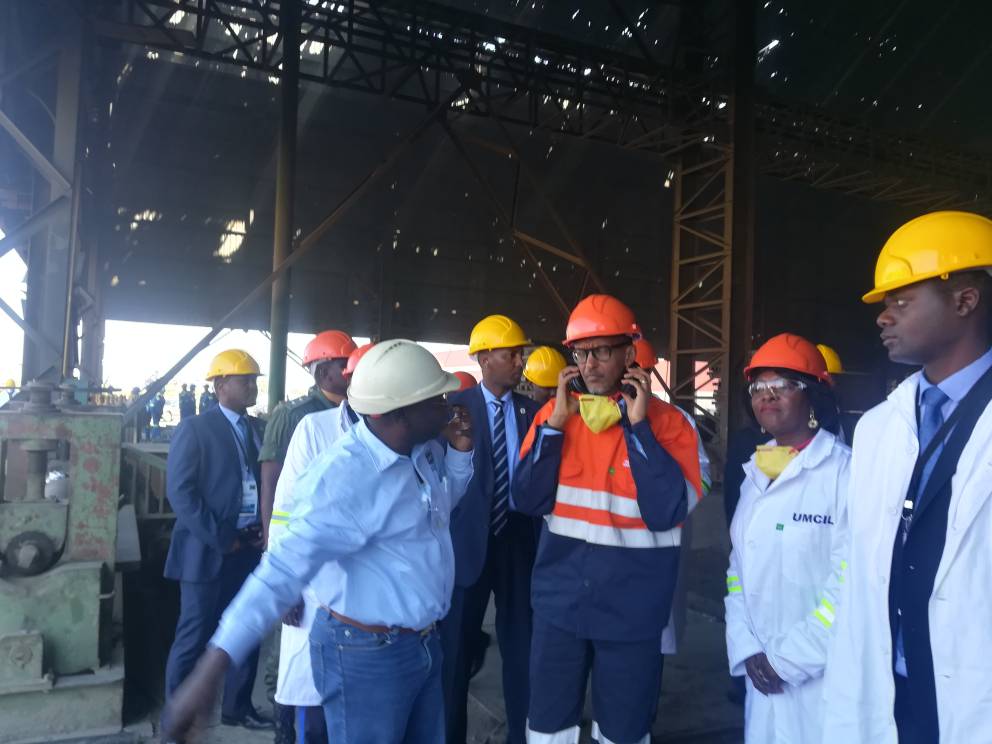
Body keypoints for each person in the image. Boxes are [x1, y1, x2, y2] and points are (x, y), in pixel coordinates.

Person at [161, 339, 474, 744]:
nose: (448, 406)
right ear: (401, 413)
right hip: (370, 656)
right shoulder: (344, 481)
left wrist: (460, 454)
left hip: (422, 645)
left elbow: (439, 511)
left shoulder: (421, 451)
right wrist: (211, 669)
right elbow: (279, 574)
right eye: (437, 399)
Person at [821, 211, 992, 744]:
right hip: (890, 687)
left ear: (965, 300)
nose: (882, 317)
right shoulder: (876, 429)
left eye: (901, 301)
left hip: (972, 693)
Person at [514, 294, 702, 744]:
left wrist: (639, 430)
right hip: (560, 605)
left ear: (629, 354)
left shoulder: (671, 425)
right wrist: (555, 427)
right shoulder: (553, 417)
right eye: (582, 353)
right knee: (546, 727)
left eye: (602, 350)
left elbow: (666, 511)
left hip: (632, 611)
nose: (591, 364)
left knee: (622, 732)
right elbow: (526, 499)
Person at [723, 334, 850, 743]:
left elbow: (850, 583)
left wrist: (788, 660)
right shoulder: (756, 474)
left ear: (812, 396)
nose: (767, 397)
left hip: (822, 676)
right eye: (758, 388)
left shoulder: (845, 474)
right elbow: (737, 570)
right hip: (761, 674)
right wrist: (748, 648)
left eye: (781, 386)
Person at [440, 314, 541, 744]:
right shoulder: (454, 408)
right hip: (467, 546)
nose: (520, 362)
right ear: (483, 359)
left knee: (522, 651)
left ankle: (524, 735)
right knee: (456, 656)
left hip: (518, 540)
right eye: (510, 354)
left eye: (521, 353)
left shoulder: (533, 410)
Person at [162, 349, 273, 733]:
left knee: (248, 629)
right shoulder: (196, 429)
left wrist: (262, 525)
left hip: (248, 547)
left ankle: (237, 708)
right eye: (246, 380)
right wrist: (223, 538)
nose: (252, 386)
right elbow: (182, 493)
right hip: (206, 551)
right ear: (221, 384)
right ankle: (178, 717)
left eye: (255, 380)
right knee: (194, 636)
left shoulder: (257, 429)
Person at [267, 342, 373, 744]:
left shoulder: (405, 434)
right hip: (315, 591)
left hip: (370, 600)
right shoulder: (315, 428)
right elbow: (285, 509)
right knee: (313, 711)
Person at [633, 337, 712, 661]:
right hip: (609, 549)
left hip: (662, 539)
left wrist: (672, 505)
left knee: (652, 634)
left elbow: (702, 475)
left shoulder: (675, 420)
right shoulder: (590, 416)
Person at [259, 330, 356, 545]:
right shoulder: (293, 416)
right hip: (305, 534)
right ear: (323, 373)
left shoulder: (360, 413)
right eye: (345, 365)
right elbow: (271, 482)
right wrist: (271, 542)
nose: (352, 370)